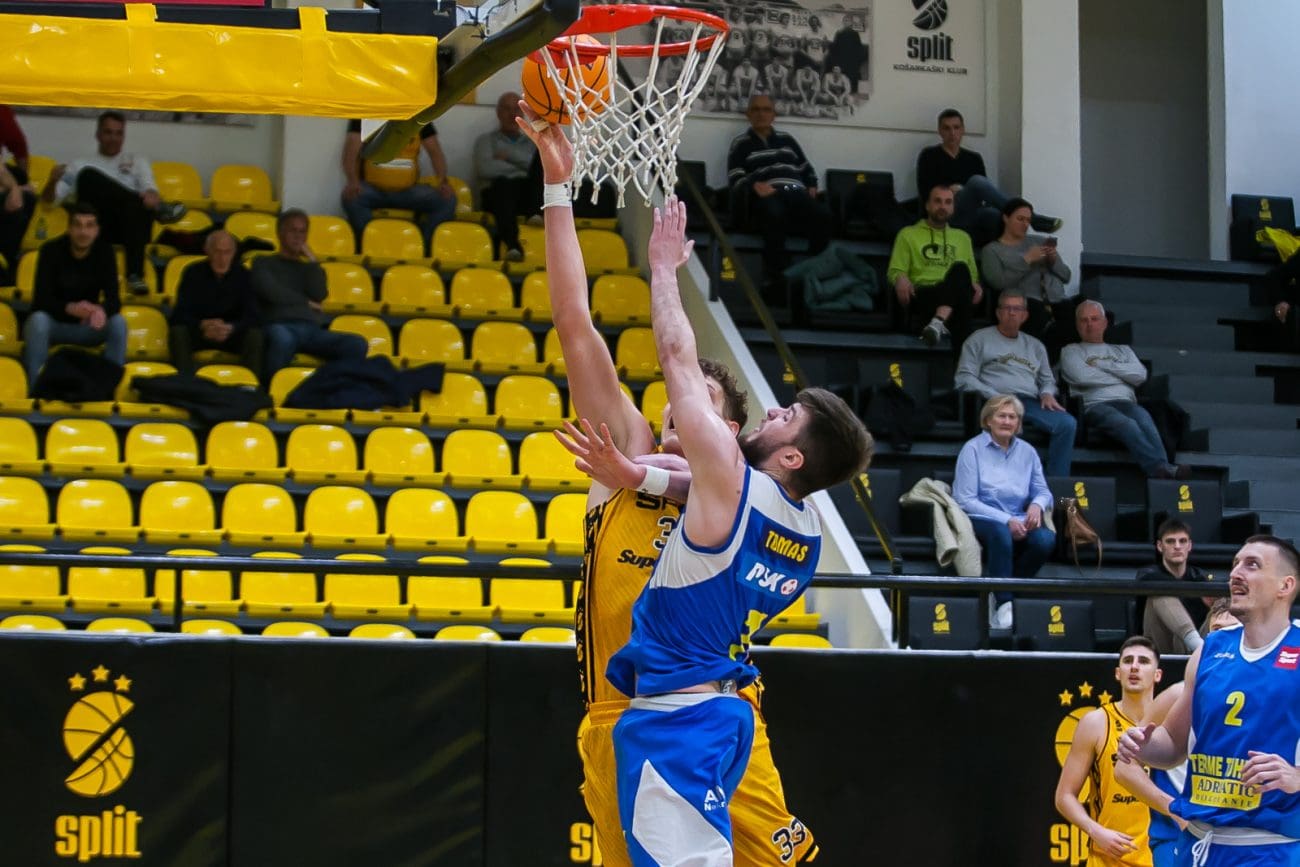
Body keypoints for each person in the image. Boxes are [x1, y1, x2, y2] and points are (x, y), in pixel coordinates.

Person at [515, 102, 821, 867]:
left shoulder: (741, 491)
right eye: (673, 405)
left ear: (730, 431)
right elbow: (574, 321)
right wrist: (557, 188)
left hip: (717, 706)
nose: (676, 412)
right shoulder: (626, 452)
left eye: (699, 406)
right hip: (619, 716)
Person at [605, 194, 872, 866]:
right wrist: (643, 477)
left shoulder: (731, 479)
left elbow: (678, 359)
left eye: (785, 419)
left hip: (679, 720)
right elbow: (707, 497)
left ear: (793, 458)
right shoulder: (806, 532)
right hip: (726, 717)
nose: (771, 414)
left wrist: (662, 269)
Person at [1118, 535, 1300, 866]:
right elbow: (1172, 746)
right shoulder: (1209, 650)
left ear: (1285, 586)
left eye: (1252, 565)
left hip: (1269, 848)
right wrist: (1142, 746)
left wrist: (1297, 776)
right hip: (1199, 843)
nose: (1236, 573)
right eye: (1235, 564)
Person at [1115, 603, 1240, 867]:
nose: (1224, 638)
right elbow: (1125, 768)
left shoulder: (1262, 694)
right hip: (1177, 832)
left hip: (1233, 831)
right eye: (1217, 630)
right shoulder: (1177, 695)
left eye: (1233, 630)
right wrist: (1174, 809)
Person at [44, 111, 187, 295]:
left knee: (136, 205)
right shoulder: (79, 164)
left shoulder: (137, 161)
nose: (114, 138)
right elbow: (50, 201)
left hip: (133, 227)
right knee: (88, 175)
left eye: (119, 133)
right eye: (108, 132)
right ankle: (160, 212)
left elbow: (149, 190)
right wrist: (52, 181)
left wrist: (152, 196)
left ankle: (135, 275)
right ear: (98, 135)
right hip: (97, 227)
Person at [1055, 636, 1164, 867]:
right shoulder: (1096, 722)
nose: (1134, 667)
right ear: (1117, 672)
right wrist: (1095, 831)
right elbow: (1064, 796)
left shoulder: (1170, 725)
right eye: (1128, 661)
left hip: (1160, 857)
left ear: (1157, 675)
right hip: (1108, 858)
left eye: (1144, 661)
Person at [953, 395, 1055, 629]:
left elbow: (1043, 491)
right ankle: (1005, 602)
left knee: (1045, 540)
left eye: (1012, 417)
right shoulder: (972, 449)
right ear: (988, 420)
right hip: (981, 517)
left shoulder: (1028, 452)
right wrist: (1006, 519)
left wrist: (1037, 505)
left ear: (1018, 423)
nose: (1007, 421)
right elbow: (965, 499)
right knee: (1001, 534)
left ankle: (999, 589)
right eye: (1001, 416)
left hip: (1018, 517)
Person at [1060, 301, 1188, 479]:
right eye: (1084, 320)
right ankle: (1160, 468)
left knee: (1144, 419)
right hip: (1094, 405)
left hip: (1126, 403)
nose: (1089, 324)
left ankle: (1164, 468)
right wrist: (1122, 376)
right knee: (1126, 423)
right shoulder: (1071, 351)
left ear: (1105, 322)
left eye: (1094, 319)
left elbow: (1140, 375)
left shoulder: (1123, 350)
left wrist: (1102, 365)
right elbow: (1081, 377)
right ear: (1077, 325)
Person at [955, 288, 1076, 476]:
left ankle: (1056, 484)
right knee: (1008, 424)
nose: (1012, 313)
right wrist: (993, 395)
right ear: (998, 313)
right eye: (1007, 308)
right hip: (994, 401)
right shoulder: (979, 339)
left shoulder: (1035, 346)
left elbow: (1047, 379)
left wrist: (1046, 393)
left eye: (1017, 309)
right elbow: (963, 378)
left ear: (1024, 315)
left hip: (1028, 401)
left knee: (1067, 424)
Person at [725, 94, 833, 304]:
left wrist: (811, 183)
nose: (761, 114)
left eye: (766, 109)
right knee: (774, 214)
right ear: (748, 115)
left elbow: (806, 168)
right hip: (769, 193)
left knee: (824, 215)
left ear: (774, 115)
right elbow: (735, 176)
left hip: (795, 190)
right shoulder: (740, 143)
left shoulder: (787, 140)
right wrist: (753, 185)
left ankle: (814, 271)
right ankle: (776, 278)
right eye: (756, 109)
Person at [251, 209, 367, 380]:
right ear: (280, 233)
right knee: (283, 339)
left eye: (302, 232)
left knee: (356, 344)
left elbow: (319, 294)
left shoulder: (308, 269)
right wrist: (306, 303)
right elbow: (271, 292)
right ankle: (270, 389)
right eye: (293, 230)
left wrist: (313, 261)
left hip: (311, 330)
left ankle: (335, 388)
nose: (298, 237)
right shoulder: (263, 262)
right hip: (279, 324)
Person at [916, 108, 1061, 243]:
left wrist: (963, 190)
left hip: (971, 213)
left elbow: (984, 195)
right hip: (945, 212)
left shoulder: (973, 158)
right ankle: (1031, 218)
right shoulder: (929, 155)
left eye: (956, 127)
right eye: (947, 128)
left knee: (994, 213)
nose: (952, 133)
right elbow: (925, 192)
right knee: (976, 181)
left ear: (963, 130)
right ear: (940, 131)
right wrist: (949, 190)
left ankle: (1004, 248)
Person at [22, 202, 126, 388]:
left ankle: (110, 390)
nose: (83, 232)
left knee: (118, 322)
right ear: (69, 229)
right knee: (38, 321)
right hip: (56, 324)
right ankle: (36, 389)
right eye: (78, 225)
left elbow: (115, 300)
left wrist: (100, 310)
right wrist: (70, 308)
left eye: (89, 226)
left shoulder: (105, 252)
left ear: (97, 231)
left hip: (88, 326)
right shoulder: (50, 250)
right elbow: (40, 300)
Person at [887, 184, 983, 352]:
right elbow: (895, 269)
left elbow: (972, 275)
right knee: (961, 300)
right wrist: (900, 278)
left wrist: (976, 285)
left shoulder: (963, 238)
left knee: (960, 271)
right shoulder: (908, 234)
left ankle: (937, 322)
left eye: (948, 202)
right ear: (927, 205)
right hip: (925, 293)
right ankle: (963, 365)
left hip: (956, 294)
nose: (943, 206)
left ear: (953, 207)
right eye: (938, 201)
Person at [340, 119, 456, 253]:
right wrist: (352, 181)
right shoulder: (365, 117)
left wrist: (442, 182)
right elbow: (350, 152)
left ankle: (423, 248)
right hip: (373, 190)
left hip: (409, 192)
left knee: (447, 200)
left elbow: (435, 152)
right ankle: (371, 245)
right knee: (351, 198)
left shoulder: (420, 118)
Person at [980, 197, 1074, 354]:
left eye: (1028, 220)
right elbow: (998, 282)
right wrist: (1027, 260)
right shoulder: (992, 250)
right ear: (1006, 218)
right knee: (1037, 316)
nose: (1025, 224)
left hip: (1058, 300)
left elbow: (1066, 276)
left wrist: (1053, 262)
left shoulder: (1039, 241)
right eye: (1020, 219)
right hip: (1027, 302)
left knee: (1082, 315)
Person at [168, 230, 263, 379]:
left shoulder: (244, 275)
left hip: (231, 333)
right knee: (178, 332)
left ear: (234, 253)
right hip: (201, 331)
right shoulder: (192, 272)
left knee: (255, 336)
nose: (222, 258)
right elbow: (179, 314)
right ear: (207, 251)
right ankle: (184, 382)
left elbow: (253, 316)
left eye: (227, 252)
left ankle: (250, 385)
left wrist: (231, 327)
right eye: (217, 252)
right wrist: (202, 324)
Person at [1136, 520, 1221, 654]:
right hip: (1161, 648)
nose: (1177, 546)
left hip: (1196, 645)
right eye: (1170, 541)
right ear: (1160, 546)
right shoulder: (1149, 574)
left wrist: (1214, 603)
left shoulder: (1199, 576)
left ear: (1189, 545)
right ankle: (1199, 648)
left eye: (1182, 541)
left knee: (1222, 602)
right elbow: (1147, 579)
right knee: (1160, 592)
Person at [475, 92, 539, 262]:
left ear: (523, 114)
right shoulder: (485, 141)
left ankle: (535, 215)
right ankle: (512, 245)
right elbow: (485, 169)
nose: (512, 114)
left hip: (524, 195)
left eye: (516, 109)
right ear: (498, 113)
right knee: (504, 185)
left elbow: (536, 170)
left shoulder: (533, 144)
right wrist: (521, 166)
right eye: (507, 109)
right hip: (496, 195)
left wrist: (508, 155)